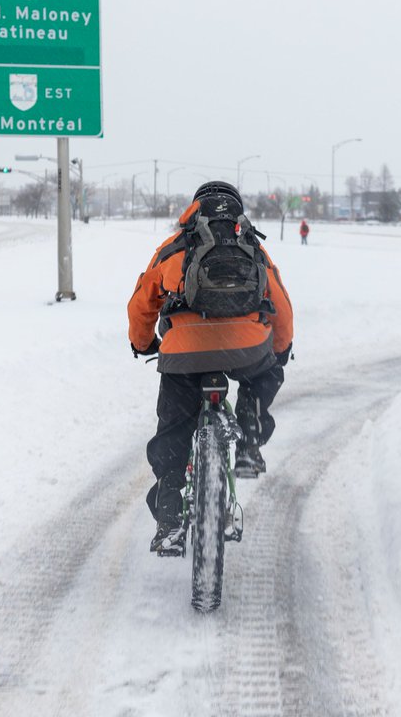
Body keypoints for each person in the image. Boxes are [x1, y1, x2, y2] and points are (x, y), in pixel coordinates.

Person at [128, 181, 294, 555]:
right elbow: (281, 305)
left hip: (184, 354)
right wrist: (279, 352)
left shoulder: (175, 248)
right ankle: (250, 438)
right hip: (246, 350)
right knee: (263, 374)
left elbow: (142, 302)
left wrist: (143, 344)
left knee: (173, 429)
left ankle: (170, 512)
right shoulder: (252, 247)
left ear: (195, 209)